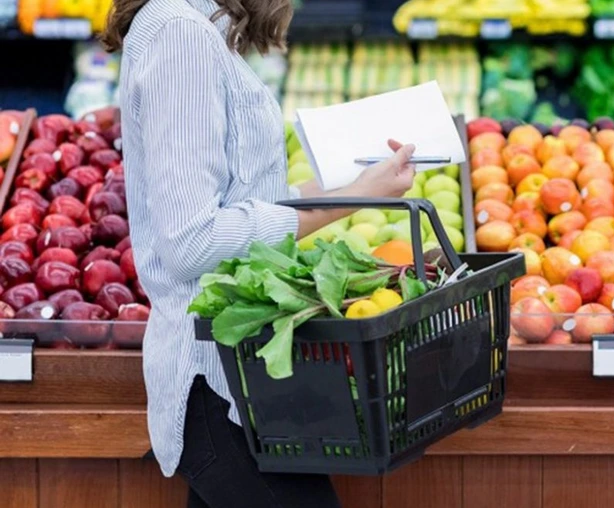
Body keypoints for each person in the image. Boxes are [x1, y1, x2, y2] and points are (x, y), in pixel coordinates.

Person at [101, 0, 416, 506]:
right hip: (215, 382)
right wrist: (340, 205)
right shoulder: (180, 35)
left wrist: (357, 187)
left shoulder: (193, 30)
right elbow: (192, 241)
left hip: (243, 379)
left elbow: (240, 202)